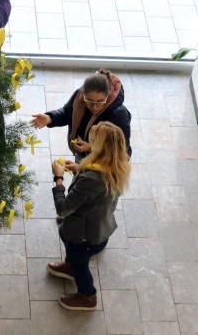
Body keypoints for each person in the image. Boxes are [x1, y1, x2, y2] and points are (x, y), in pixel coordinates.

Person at [47, 121, 131, 311]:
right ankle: (70, 265)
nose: (88, 143)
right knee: (76, 258)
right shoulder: (118, 164)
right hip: (100, 226)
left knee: (80, 266)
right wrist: (79, 168)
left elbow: (63, 208)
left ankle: (87, 296)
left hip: (83, 237)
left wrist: (58, 178)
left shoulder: (91, 179)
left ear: (101, 147)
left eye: (93, 141)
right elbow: (98, 187)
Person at [31, 69, 132, 162]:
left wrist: (92, 147)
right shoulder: (79, 99)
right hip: (82, 155)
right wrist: (50, 118)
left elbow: (122, 149)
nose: (94, 106)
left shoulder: (119, 115)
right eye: (89, 101)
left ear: (108, 95)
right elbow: (67, 113)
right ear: (83, 94)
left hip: (105, 164)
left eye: (100, 101)